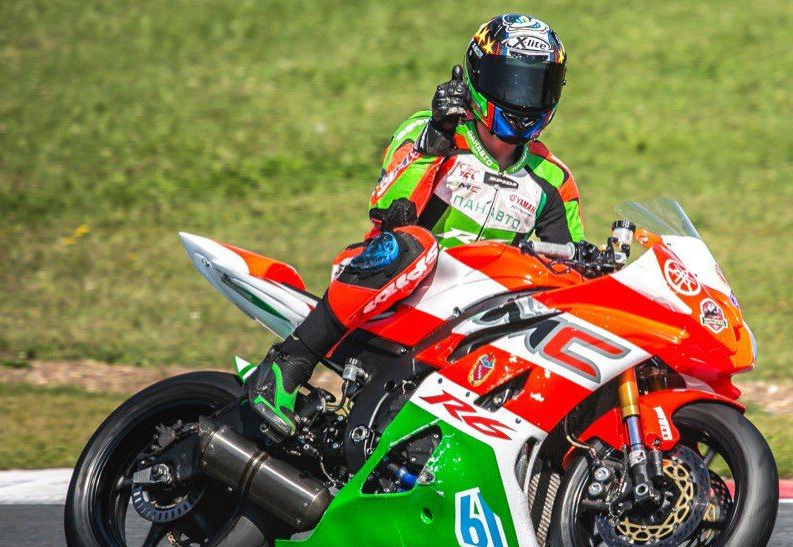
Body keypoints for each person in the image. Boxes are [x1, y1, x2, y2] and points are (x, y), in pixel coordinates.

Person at [247, 13, 591, 435]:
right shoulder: (430, 130)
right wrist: (434, 141)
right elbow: (386, 210)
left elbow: (569, 274)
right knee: (414, 244)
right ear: (479, 77)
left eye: (538, 85)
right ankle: (288, 364)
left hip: (477, 318)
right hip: (390, 288)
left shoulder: (553, 178)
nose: (524, 100)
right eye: (513, 83)